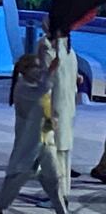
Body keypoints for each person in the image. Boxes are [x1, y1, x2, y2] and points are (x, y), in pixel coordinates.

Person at [0, 55, 67, 214]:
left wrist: (53, 121)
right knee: (14, 182)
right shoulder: (22, 88)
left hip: (45, 142)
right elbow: (42, 91)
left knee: (53, 180)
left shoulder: (37, 85)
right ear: (25, 71)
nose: (39, 71)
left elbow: (46, 108)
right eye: (36, 67)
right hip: (28, 146)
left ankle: (62, 211)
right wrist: (51, 70)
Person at [38, 21, 77, 202]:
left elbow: (47, 83)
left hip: (55, 108)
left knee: (54, 154)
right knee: (63, 152)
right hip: (68, 108)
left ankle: (58, 195)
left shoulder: (53, 54)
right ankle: (63, 192)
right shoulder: (71, 53)